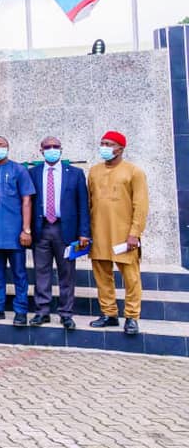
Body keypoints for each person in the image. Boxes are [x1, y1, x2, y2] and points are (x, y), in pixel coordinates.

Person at [88, 131, 148, 335]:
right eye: (102, 143)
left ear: (120, 148)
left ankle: (132, 317)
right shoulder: (94, 171)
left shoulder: (134, 172)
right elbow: (89, 202)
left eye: (109, 144)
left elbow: (141, 205)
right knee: (102, 276)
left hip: (124, 236)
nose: (104, 147)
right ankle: (109, 314)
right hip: (99, 232)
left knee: (131, 278)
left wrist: (134, 233)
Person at [27, 136, 91, 330]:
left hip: (66, 230)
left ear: (61, 149)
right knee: (41, 271)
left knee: (67, 273)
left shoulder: (75, 173)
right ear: (41, 151)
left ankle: (66, 313)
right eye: (48, 147)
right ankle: (42, 311)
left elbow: (83, 205)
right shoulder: (33, 173)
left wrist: (84, 232)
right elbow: (28, 202)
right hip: (42, 229)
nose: (52, 149)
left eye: (56, 146)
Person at [0, 136, 34, 326]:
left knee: (19, 274)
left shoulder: (19, 170)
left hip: (15, 233)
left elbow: (27, 200)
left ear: (8, 147)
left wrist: (26, 230)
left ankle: (21, 311)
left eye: (1, 145)